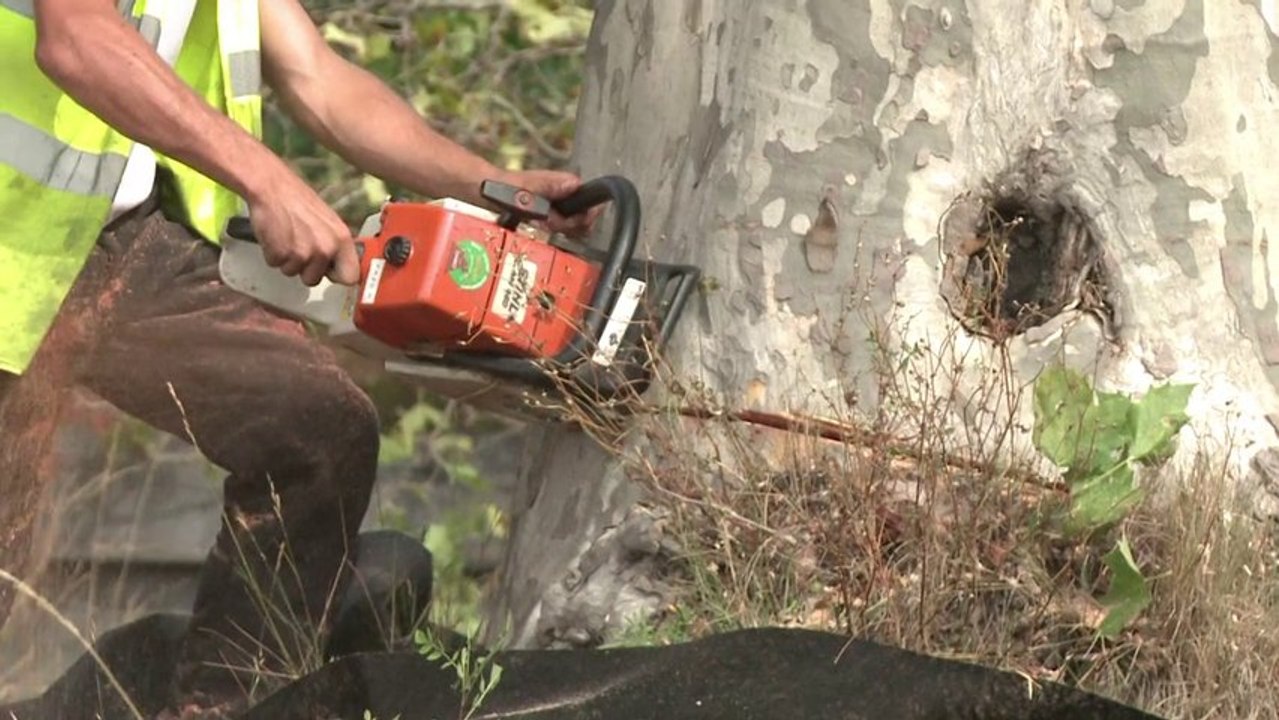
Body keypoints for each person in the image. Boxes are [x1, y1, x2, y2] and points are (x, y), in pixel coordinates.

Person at [0, 0, 593, 717]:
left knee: (315, 427)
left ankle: (228, 707)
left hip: (100, 242)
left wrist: (491, 185)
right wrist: (267, 179)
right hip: (15, 230)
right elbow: (79, 40)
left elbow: (317, 78)